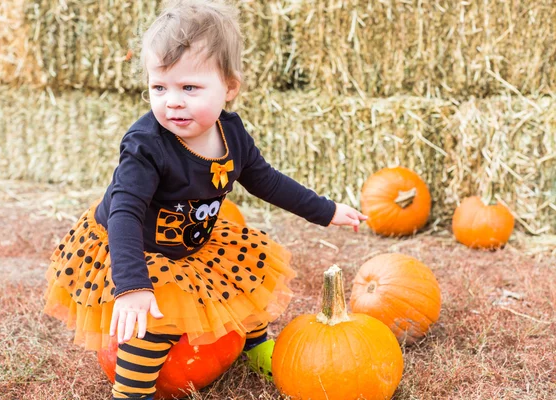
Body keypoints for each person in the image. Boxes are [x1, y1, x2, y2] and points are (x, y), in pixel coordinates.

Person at [43, 0, 368, 398]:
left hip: (191, 241)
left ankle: (257, 346)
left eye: (189, 88)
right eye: (159, 87)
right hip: (134, 248)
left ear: (229, 87)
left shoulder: (231, 134)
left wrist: (326, 210)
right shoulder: (146, 146)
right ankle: (132, 391)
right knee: (155, 321)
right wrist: (131, 286)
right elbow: (125, 213)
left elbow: (267, 181)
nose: (172, 101)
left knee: (244, 278)